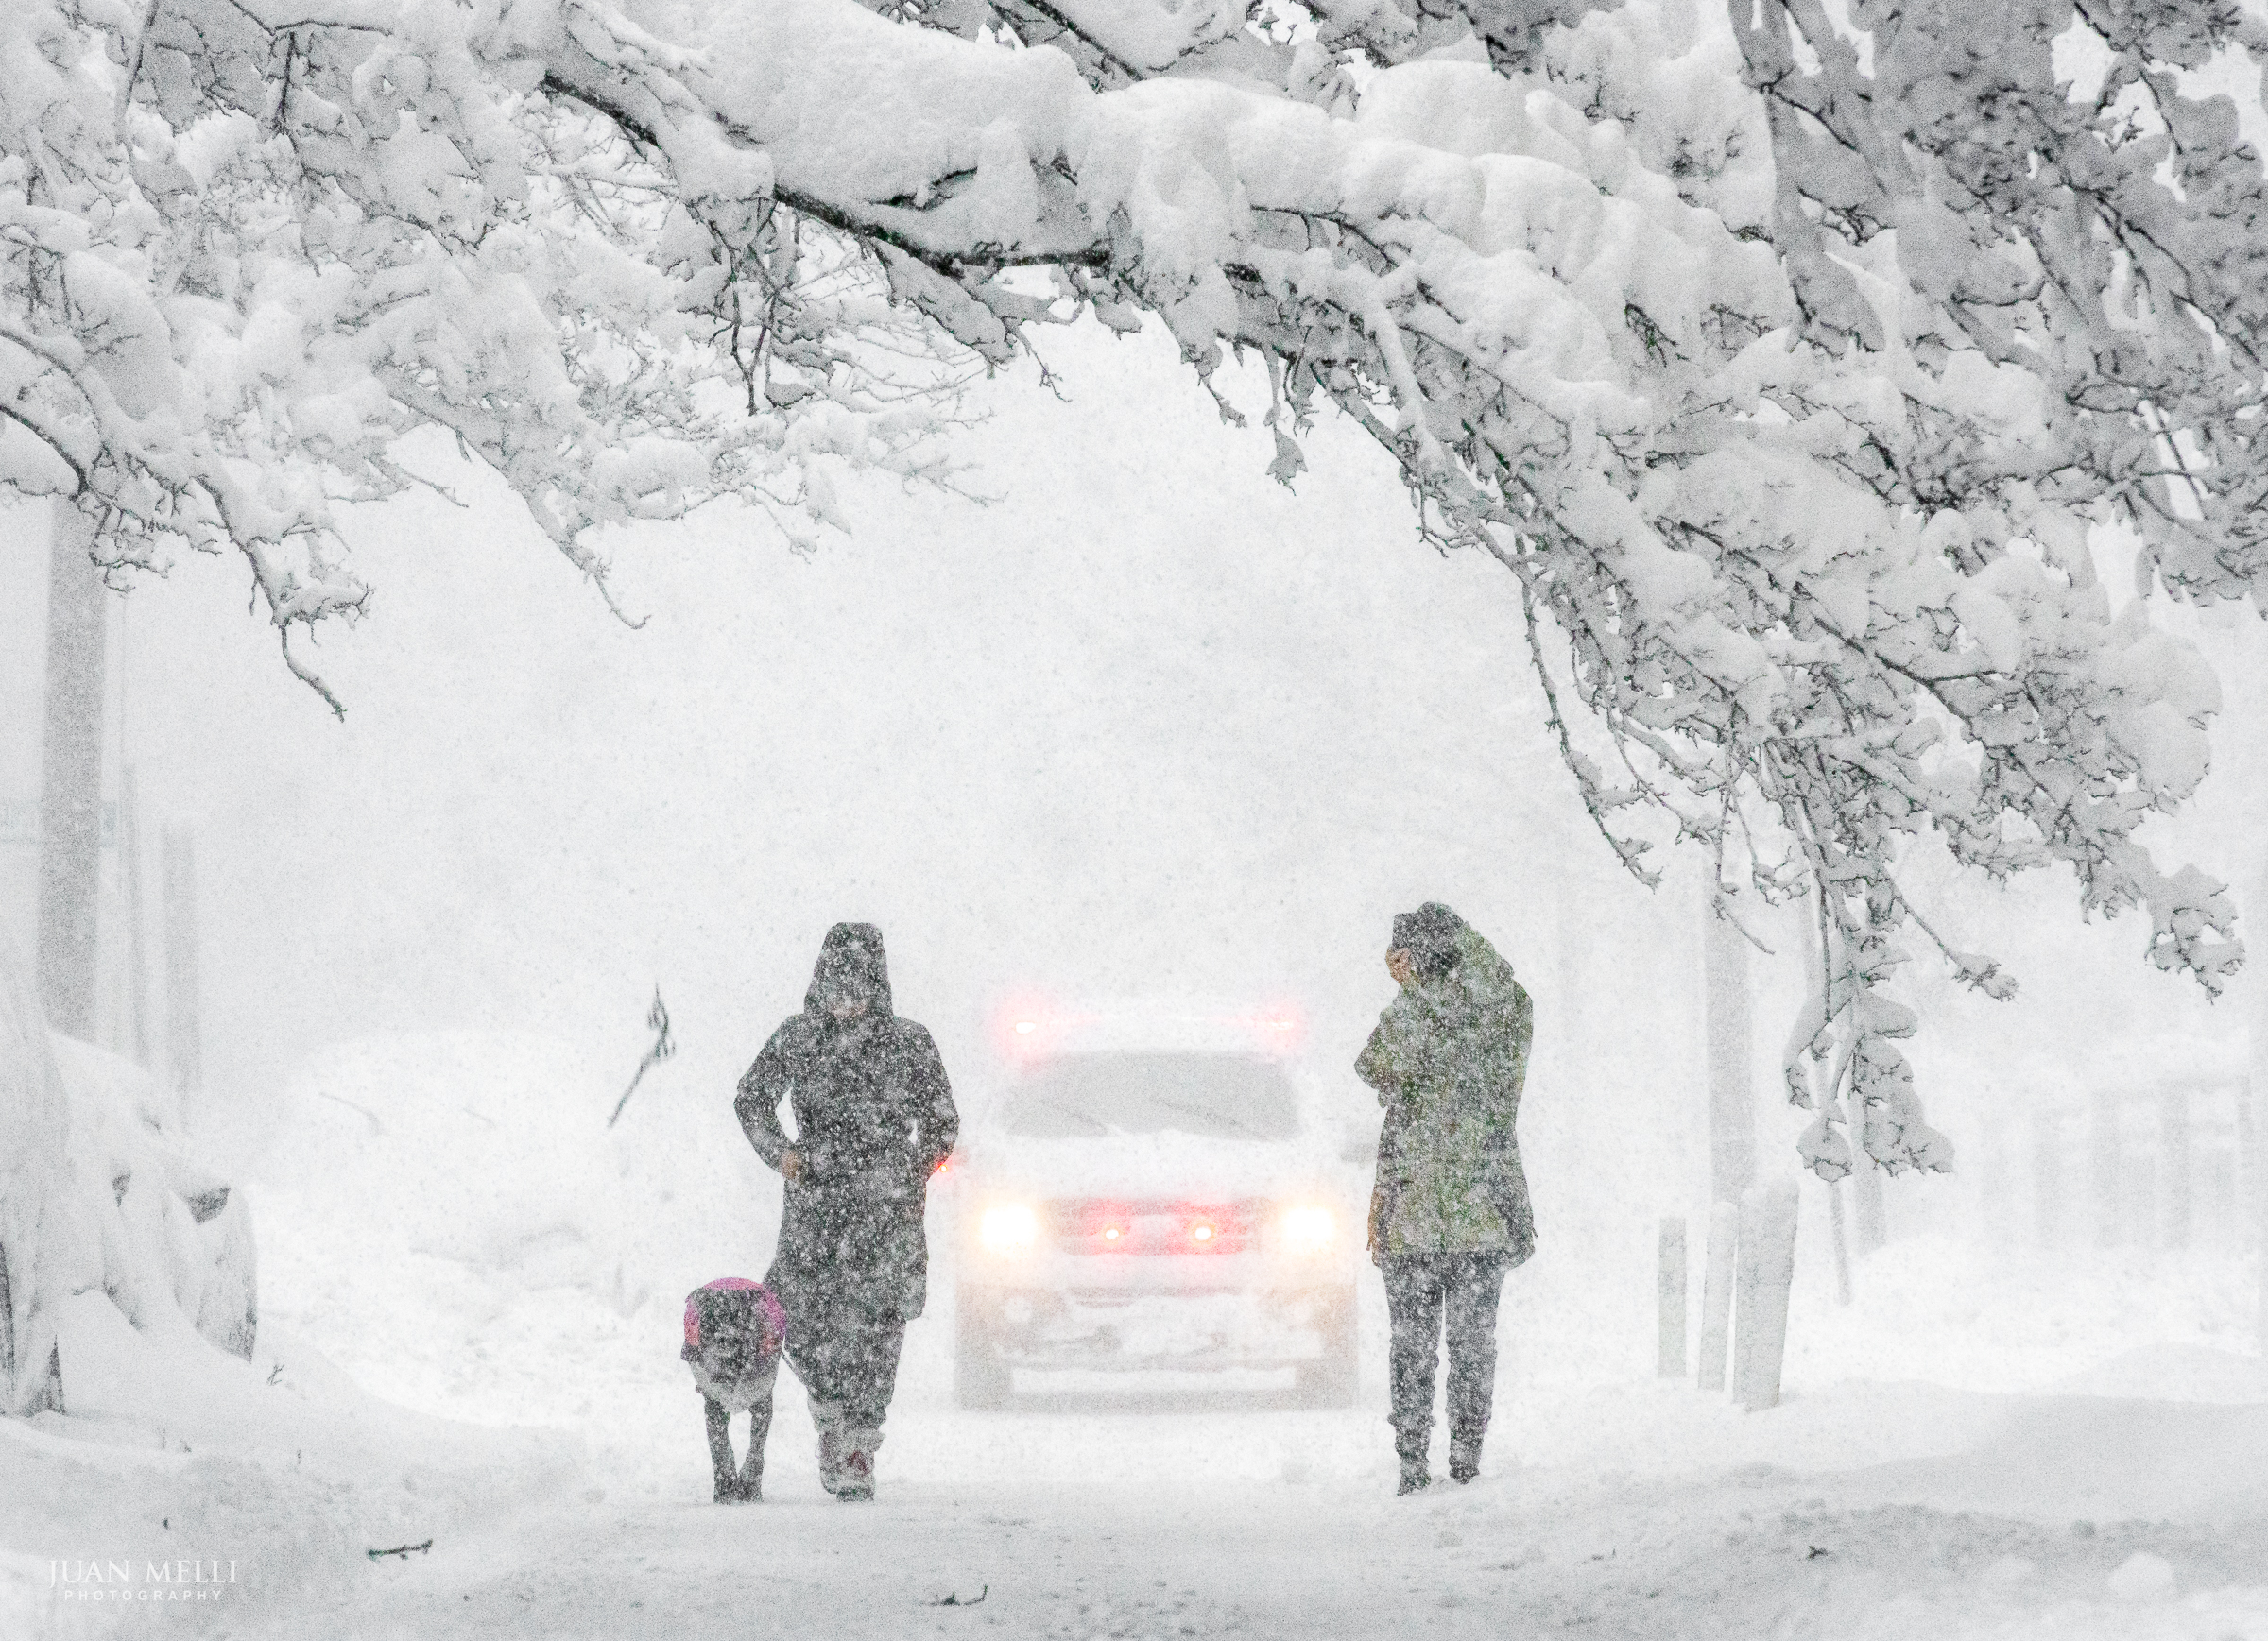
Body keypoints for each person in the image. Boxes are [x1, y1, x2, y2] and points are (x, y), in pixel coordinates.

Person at [734, 923, 958, 1502]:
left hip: (886, 1211)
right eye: (836, 986)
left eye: (857, 987)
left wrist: (913, 1167)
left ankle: (858, 1442)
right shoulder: (798, 1037)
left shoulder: (910, 1043)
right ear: (819, 983)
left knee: (878, 1326)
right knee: (800, 1316)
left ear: (877, 987)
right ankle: (830, 1414)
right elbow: (751, 1098)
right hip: (815, 1202)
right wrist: (779, 1153)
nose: (846, 1000)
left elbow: (941, 1120)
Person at [1356, 901, 1535, 1496]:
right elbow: (1505, 988)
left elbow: (1377, 1068)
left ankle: (1412, 1460)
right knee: (1473, 1341)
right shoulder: (1501, 1020)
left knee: (1411, 1343)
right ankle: (1466, 1455)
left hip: (1411, 1213)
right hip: (1484, 1207)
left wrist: (1419, 988)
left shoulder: (1410, 1018)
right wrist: (1454, 945)